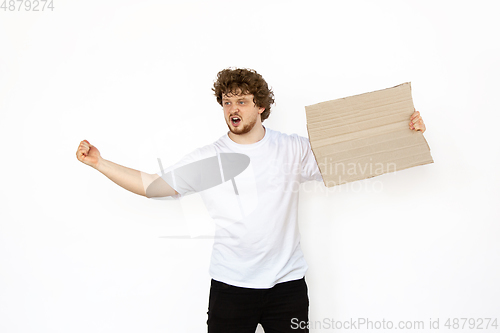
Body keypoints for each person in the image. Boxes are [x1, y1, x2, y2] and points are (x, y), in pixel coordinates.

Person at [76, 68, 426, 333]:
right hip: (231, 288)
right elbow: (153, 185)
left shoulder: (292, 149)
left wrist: (403, 132)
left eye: (241, 101)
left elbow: (348, 162)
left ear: (260, 106)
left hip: (287, 288)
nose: (232, 108)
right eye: (227, 102)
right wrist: (98, 163)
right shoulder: (210, 159)